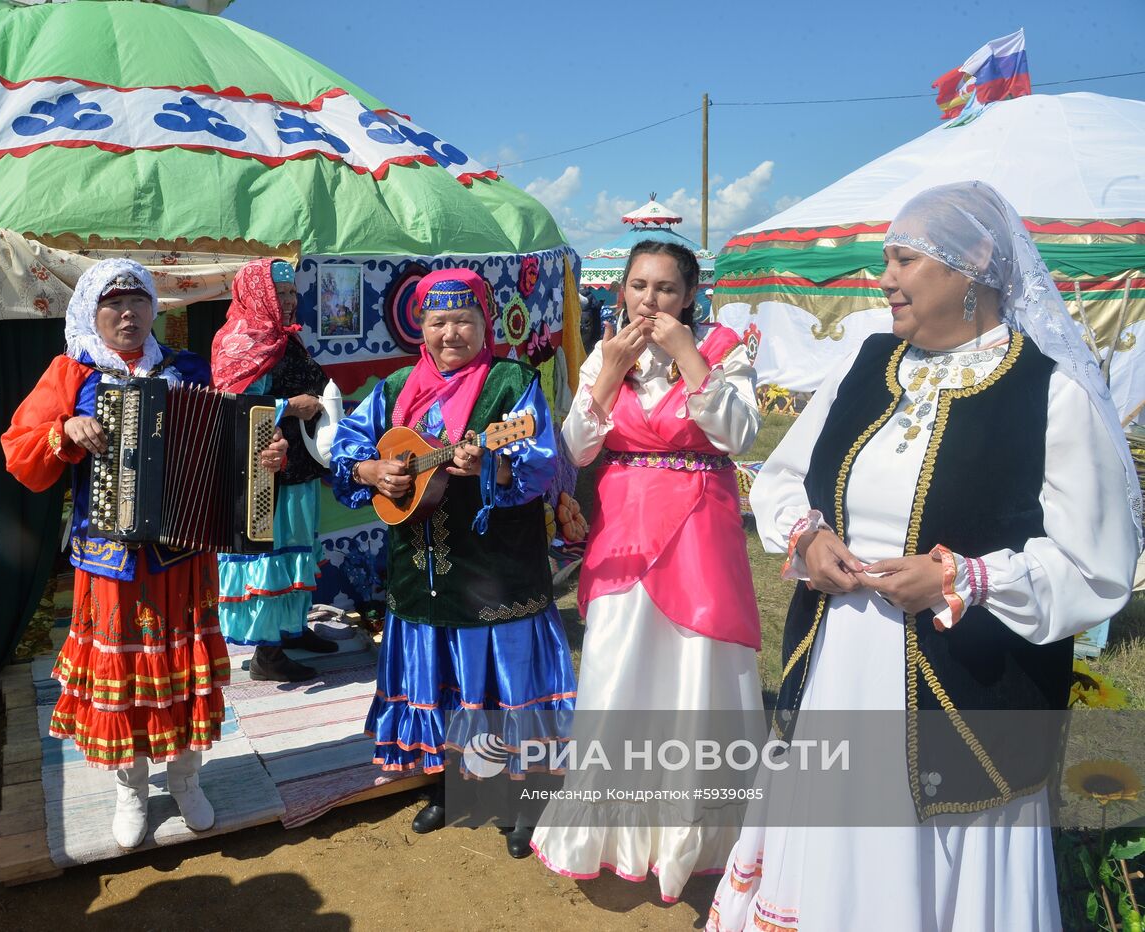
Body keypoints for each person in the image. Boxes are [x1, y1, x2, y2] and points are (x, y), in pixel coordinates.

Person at [706, 181, 1140, 931]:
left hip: (968, 685)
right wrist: (808, 539)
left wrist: (961, 577)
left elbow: (1096, 563)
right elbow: (781, 480)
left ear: (969, 266)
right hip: (842, 663)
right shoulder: (869, 363)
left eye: (904, 259)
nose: (885, 279)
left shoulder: (1047, 392)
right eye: (885, 260)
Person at [2, 259, 289, 850]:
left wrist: (266, 458)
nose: (127, 314)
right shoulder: (71, 372)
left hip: (182, 558)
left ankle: (186, 780)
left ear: (155, 307)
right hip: (109, 563)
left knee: (181, 678)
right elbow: (19, 449)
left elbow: (231, 449)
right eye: (113, 304)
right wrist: (66, 431)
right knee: (125, 680)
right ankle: (130, 789)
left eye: (138, 302)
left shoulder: (187, 370)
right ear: (91, 311)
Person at [531, 240, 764, 901]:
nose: (649, 300)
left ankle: (700, 832)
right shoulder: (610, 354)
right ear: (623, 289)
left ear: (689, 295)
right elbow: (575, 448)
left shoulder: (723, 348)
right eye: (639, 286)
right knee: (615, 664)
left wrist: (690, 357)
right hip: (624, 532)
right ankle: (613, 831)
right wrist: (608, 373)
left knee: (698, 670)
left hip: (700, 530)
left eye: (665, 289)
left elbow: (739, 435)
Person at [330, 268, 575, 857]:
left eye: (464, 319)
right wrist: (372, 471)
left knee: (504, 688)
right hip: (421, 576)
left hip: (499, 577)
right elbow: (347, 452)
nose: (450, 333)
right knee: (439, 686)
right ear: (421, 326)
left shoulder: (511, 383)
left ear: (484, 323)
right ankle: (449, 785)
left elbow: (544, 459)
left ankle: (525, 800)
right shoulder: (393, 387)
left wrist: (495, 467)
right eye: (437, 321)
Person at [211, 258, 338, 682]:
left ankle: (291, 629)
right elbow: (231, 408)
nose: (287, 300)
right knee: (272, 549)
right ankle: (268, 654)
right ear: (256, 294)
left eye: (290, 292)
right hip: (263, 470)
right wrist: (290, 406)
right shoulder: (241, 339)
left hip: (297, 464)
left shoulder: (281, 337)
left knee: (298, 546)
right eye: (278, 292)